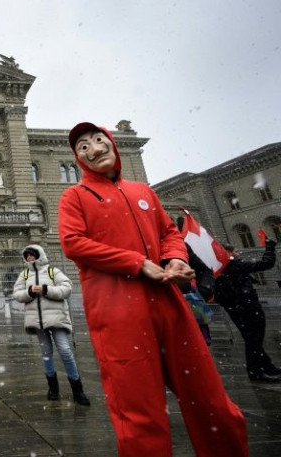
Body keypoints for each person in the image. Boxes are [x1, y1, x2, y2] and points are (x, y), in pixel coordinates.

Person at [58, 122, 247, 456]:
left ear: (114, 145)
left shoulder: (143, 192)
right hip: (116, 310)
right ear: (77, 160)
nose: (94, 148)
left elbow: (168, 233)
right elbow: (73, 243)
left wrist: (173, 258)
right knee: (139, 414)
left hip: (167, 300)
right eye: (83, 147)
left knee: (212, 401)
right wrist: (135, 262)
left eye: (99, 140)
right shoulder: (74, 196)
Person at [11, 244, 90, 405]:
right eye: (27, 256)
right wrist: (30, 292)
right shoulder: (24, 275)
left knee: (65, 351)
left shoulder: (52, 271)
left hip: (57, 319)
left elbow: (67, 288)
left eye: (32, 254)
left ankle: (77, 389)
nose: (29, 257)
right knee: (46, 354)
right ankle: (53, 389)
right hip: (38, 321)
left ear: (39, 255)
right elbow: (17, 294)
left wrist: (46, 290)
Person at [214, 234, 279, 382]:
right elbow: (266, 264)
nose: (239, 253)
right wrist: (269, 247)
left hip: (236, 308)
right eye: (236, 251)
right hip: (247, 306)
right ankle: (256, 372)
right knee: (254, 339)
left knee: (251, 338)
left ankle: (267, 366)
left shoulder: (218, 268)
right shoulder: (236, 265)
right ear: (228, 253)